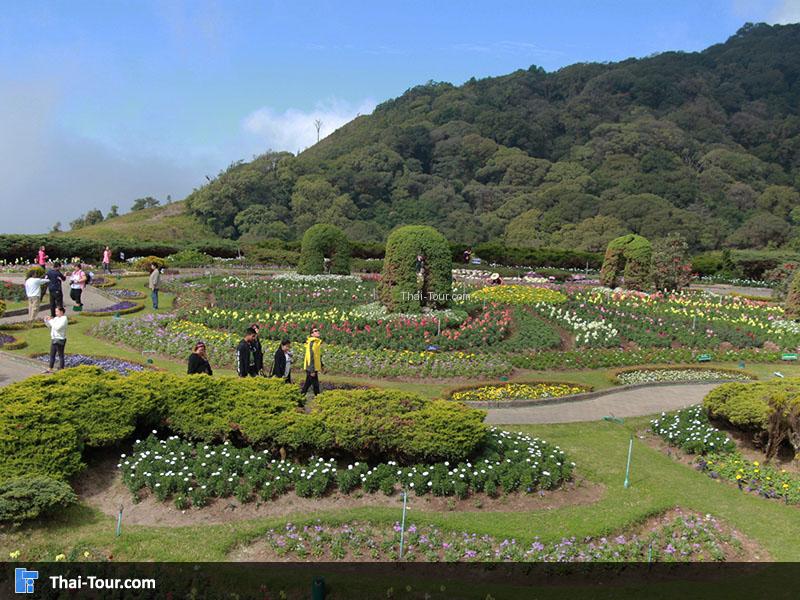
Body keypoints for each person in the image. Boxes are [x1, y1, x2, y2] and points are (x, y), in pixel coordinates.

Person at [43, 306, 68, 372]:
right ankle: (50, 368)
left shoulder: (64, 319)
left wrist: (51, 320)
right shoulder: (56, 318)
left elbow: (57, 328)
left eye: (57, 311)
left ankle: (62, 368)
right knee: (52, 354)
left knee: (60, 354)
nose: (56, 313)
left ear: (61, 312)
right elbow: (50, 326)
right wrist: (46, 320)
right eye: (55, 311)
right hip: (54, 338)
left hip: (60, 339)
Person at [301, 327, 323, 396]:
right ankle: (318, 399)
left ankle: (300, 397)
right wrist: (312, 370)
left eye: (318, 330)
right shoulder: (312, 343)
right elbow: (310, 357)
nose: (318, 332)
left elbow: (317, 356)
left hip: (313, 368)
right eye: (315, 331)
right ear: (312, 334)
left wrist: (321, 365)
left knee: (308, 384)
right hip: (311, 368)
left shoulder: (316, 342)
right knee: (315, 385)